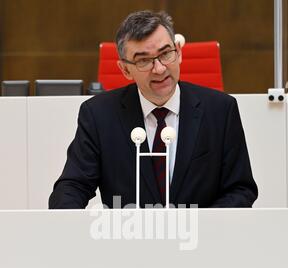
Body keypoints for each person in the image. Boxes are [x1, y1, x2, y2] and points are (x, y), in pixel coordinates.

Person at [49, 10, 258, 209]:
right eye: (143, 61)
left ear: (179, 52)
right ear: (124, 69)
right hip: (127, 240)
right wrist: (69, 228)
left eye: (166, 54)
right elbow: (72, 187)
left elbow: (240, 189)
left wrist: (203, 228)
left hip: (199, 241)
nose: (159, 69)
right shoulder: (98, 115)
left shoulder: (220, 110)